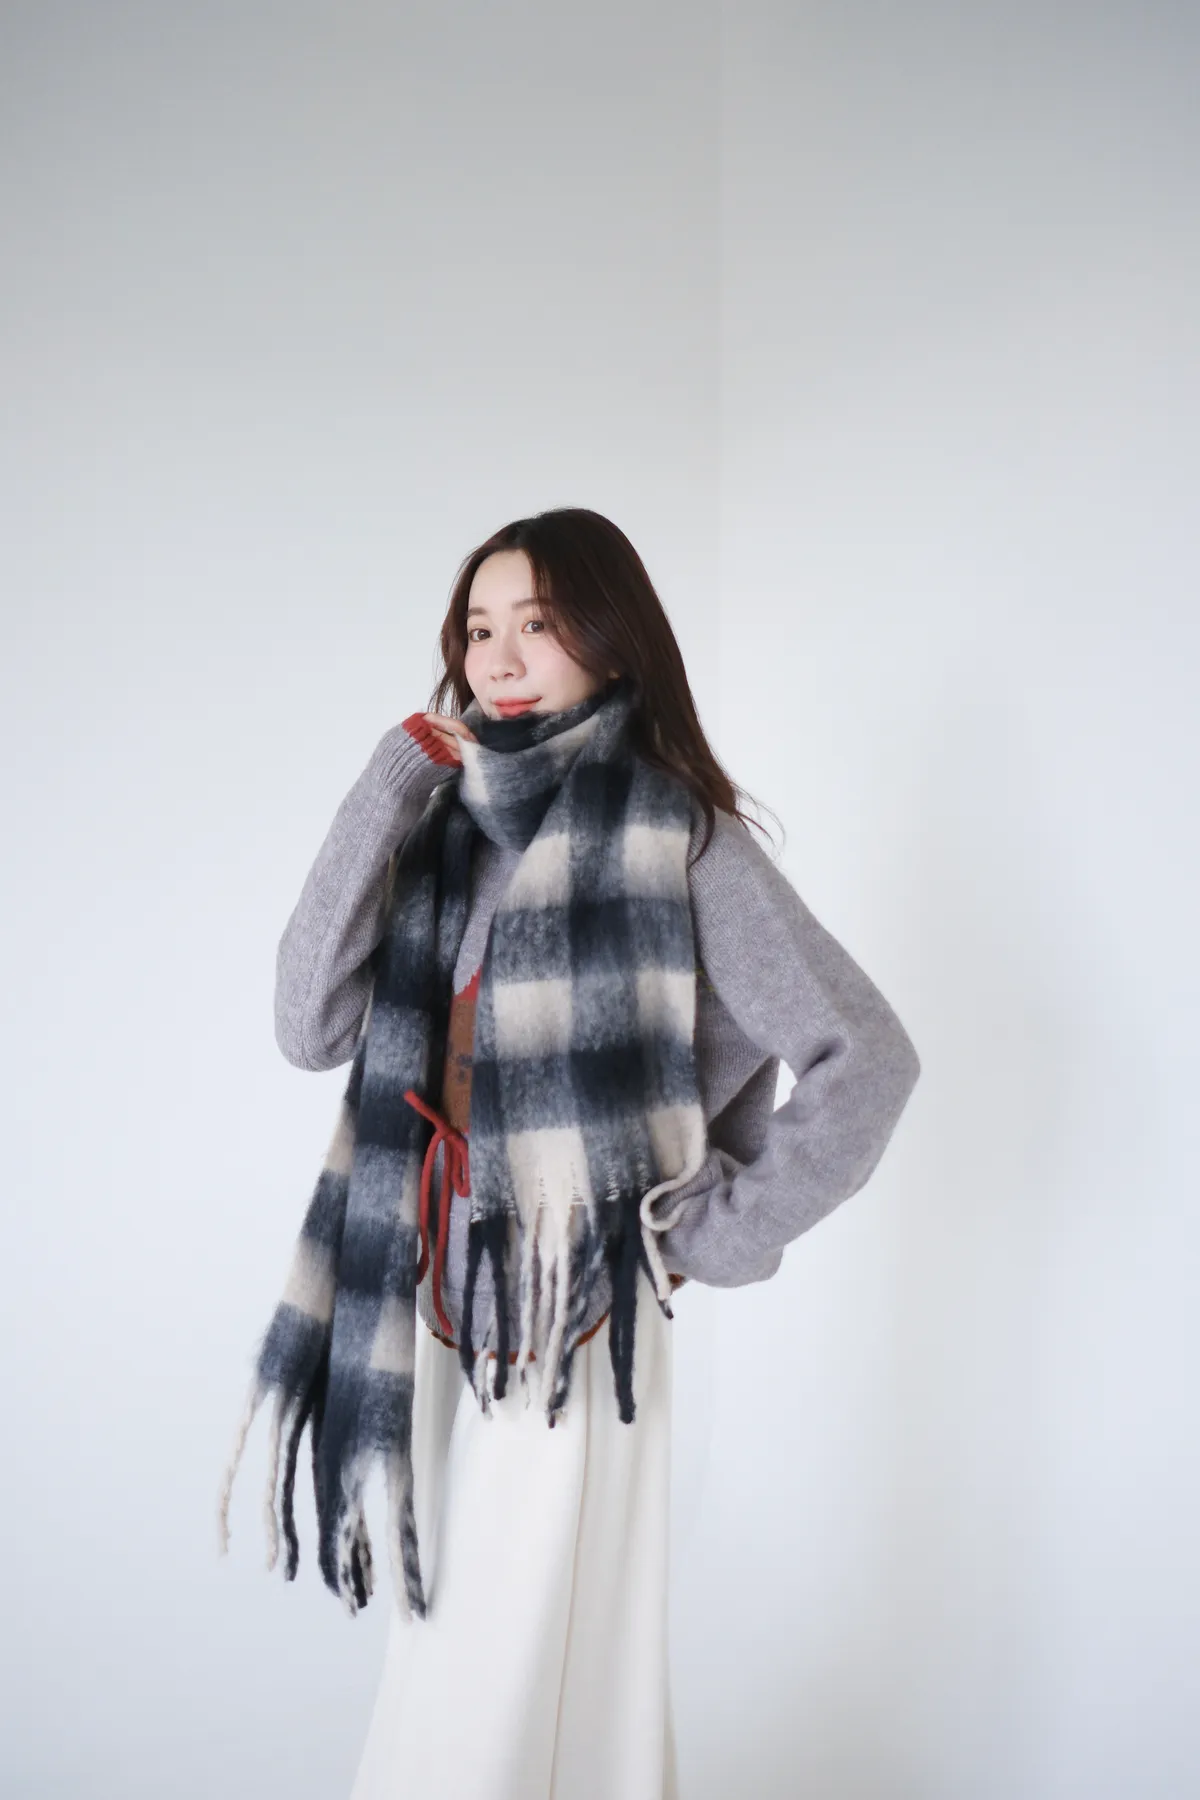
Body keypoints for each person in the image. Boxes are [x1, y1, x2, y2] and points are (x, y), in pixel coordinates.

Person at [219, 506, 921, 1800]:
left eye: (535, 624)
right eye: (477, 628)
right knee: (469, 1657)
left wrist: (707, 1233)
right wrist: (385, 787)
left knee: (503, 1669)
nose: (496, 657)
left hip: (578, 1316)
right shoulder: (442, 834)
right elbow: (306, 1026)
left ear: (608, 638)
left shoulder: (681, 839)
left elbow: (865, 1057)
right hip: (427, 1292)